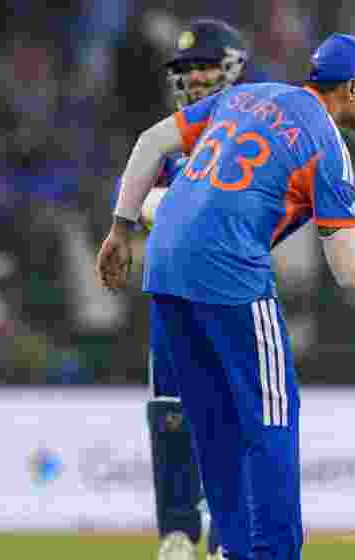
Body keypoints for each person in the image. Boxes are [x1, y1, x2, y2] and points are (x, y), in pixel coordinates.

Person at [95, 33, 355, 560]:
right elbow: (349, 270)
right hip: (230, 270)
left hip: (164, 267)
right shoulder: (328, 146)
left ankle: (233, 549)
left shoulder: (245, 95)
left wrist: (120, 229)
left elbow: (150, 142)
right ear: (352, 87)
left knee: (213, 422)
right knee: (272, 417)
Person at [135, 18, 250, 560]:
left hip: (235, 297)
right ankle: (177, 532)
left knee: (236, 414)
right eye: (186, 69)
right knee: (170, 412)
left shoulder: (254, 133)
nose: (195, 78)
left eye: (204, 65)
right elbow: (135, 205)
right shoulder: (166, 139)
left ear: (232, 68)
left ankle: (230, 534)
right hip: (173, 298)